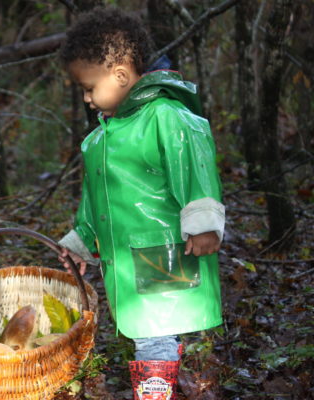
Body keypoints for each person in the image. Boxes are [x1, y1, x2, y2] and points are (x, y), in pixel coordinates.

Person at [57, 6, 225, 399]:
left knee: (153, 332)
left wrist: (202, 221)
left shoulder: (165, 115)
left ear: (119, 76)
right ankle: (163, 374)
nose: (86, 98)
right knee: (149, 330)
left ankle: (154, 392)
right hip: (131, 259)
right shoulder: (100, 138)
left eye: (89, 87)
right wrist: (82, 238)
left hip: (163, 251)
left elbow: (193, 163)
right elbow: (95, 196)